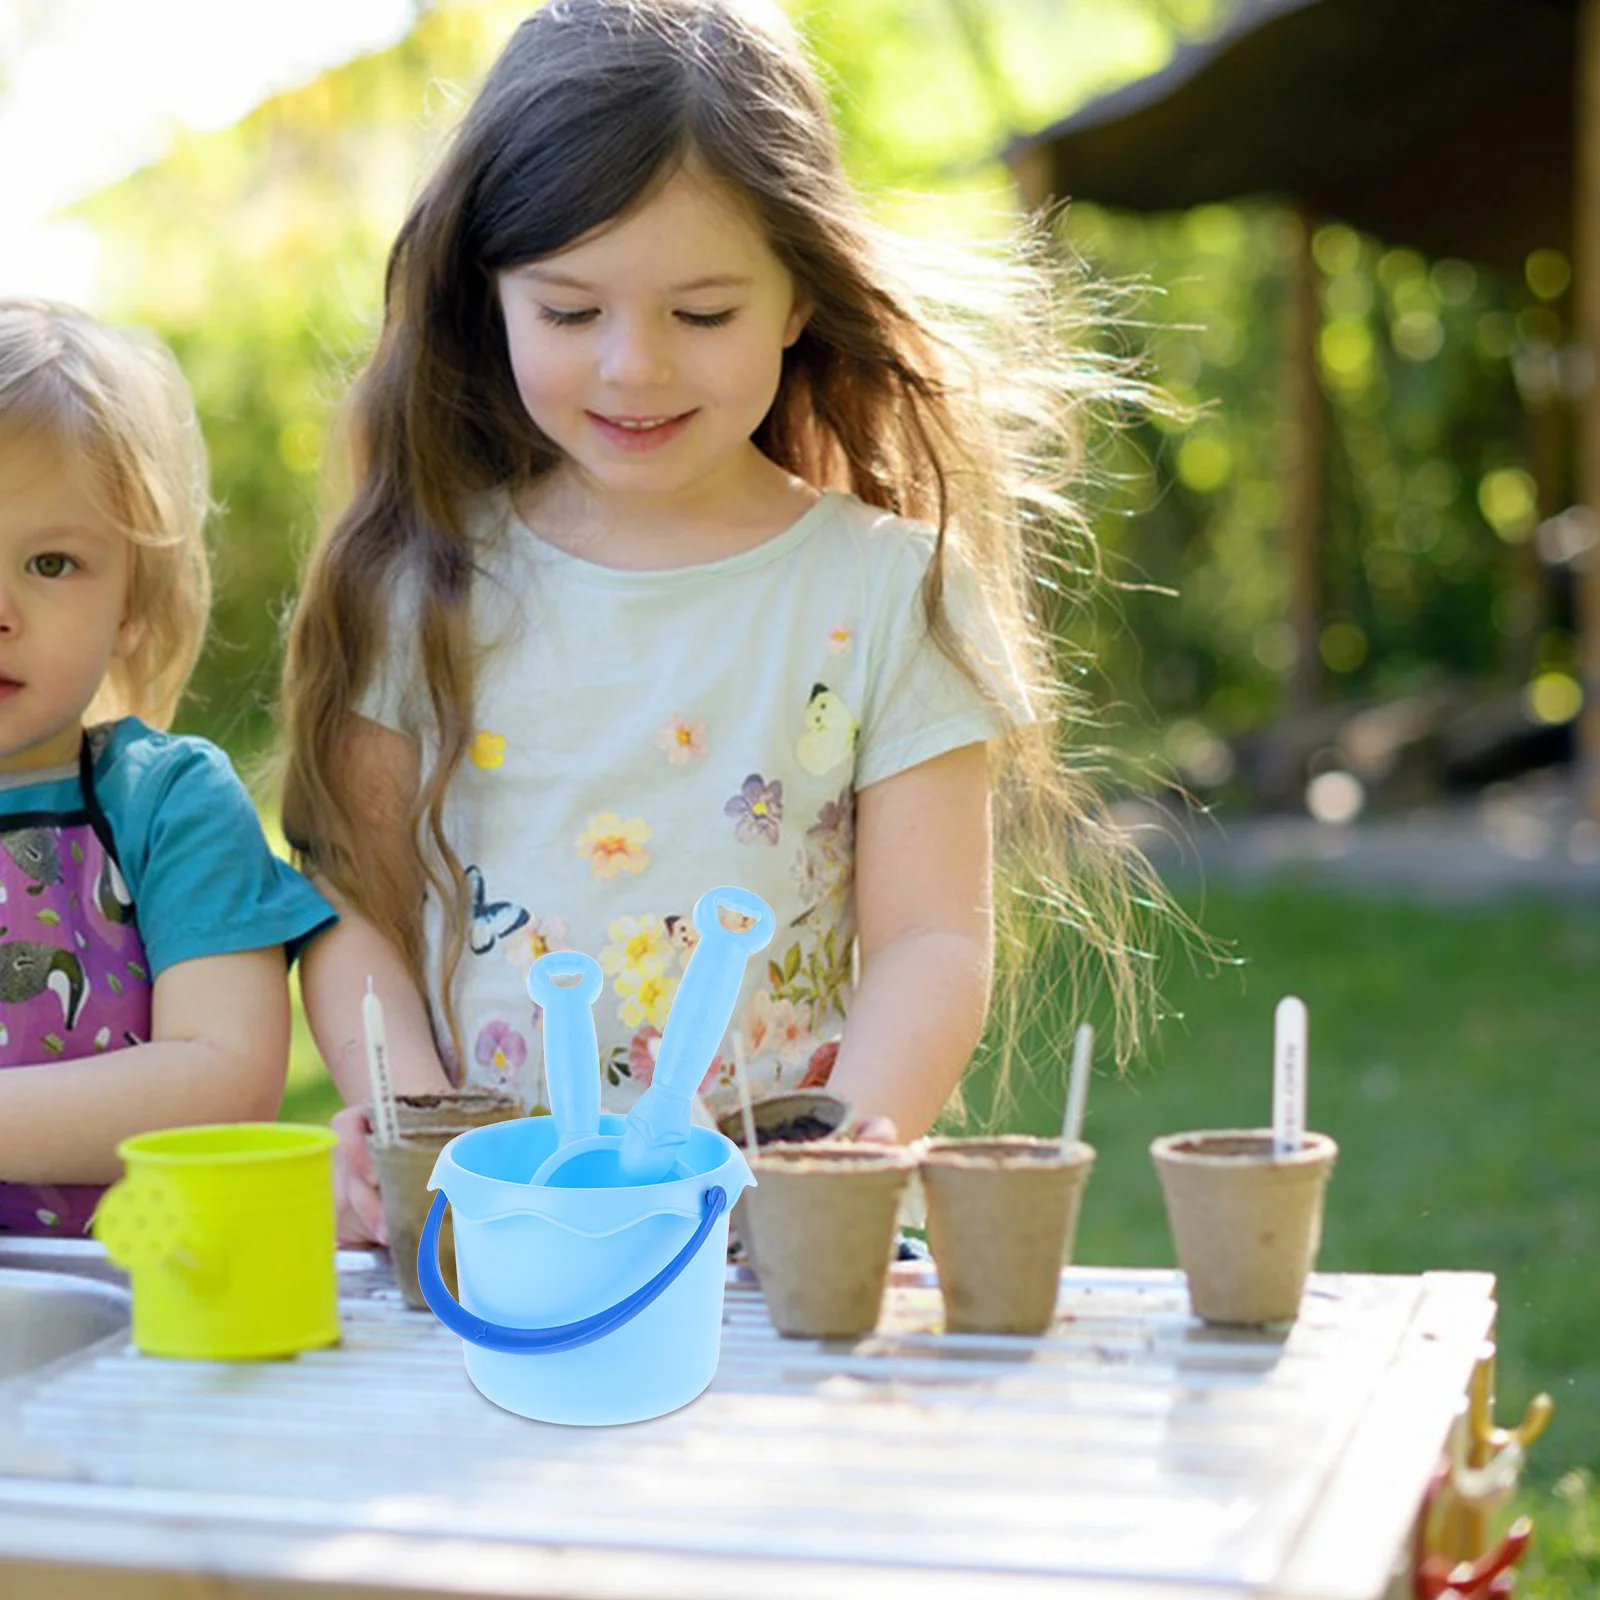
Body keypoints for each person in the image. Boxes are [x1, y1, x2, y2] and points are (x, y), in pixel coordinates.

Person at [281, 0, 1168, 1246]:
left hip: (782, 1234)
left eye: (702, 314)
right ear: (488, 296)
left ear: (801, 296)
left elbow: (928, 937)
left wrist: (832, 1164)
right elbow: (350, 904)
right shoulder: (422, 582)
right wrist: (422, 1135)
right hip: (496, 1227)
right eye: (570, 312)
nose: (633, 368)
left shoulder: (885, 590)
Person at [0, 299, 336, 1236]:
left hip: (132, 1318)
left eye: (53, 562)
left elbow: (221, 1081)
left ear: (134, 608)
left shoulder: (164, 804)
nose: (1, 608)